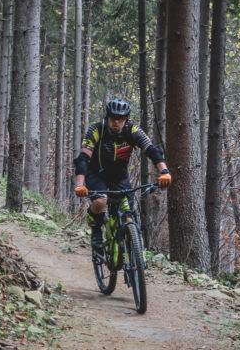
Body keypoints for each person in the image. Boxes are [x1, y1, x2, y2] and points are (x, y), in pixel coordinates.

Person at [72, 98, 172, 254]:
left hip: (119, 178)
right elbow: (83, 159)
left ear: (126, 119)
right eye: (113, 118)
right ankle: (97, 231)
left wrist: (164, 172)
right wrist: (80, 184)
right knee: (101, 200)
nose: (116, 122)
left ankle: (133, 260)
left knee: (128, 216)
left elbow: (152, 150)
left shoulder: (132, 131)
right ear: (107, 117)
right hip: (96, 175)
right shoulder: (97, 130)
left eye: (121, 119)